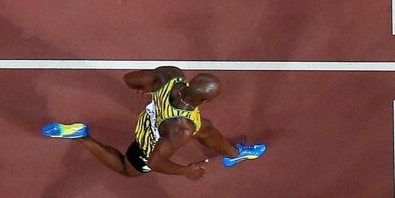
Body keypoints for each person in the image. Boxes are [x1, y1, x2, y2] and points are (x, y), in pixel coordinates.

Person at [40, 66, 268, 176]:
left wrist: (146, 87)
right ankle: (83, 137)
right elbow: (156, 162)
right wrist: (185, 171)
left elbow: (129, 79)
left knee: (205, 129)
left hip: (157, 119)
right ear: (204, 101)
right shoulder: (182, 129)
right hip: (147, 142)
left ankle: (233, 155)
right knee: (127, 170)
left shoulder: (170, 76)